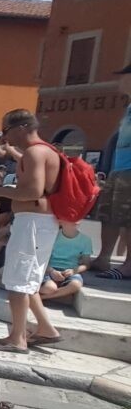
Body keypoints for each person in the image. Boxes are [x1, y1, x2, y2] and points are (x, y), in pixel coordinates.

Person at [0, 109, 62, 353]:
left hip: (33, 221)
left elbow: (32, 192)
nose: (5, 138)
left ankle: (17, 338)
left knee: (18, 281)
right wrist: (13, 154)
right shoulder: (45, 150)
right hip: (42, 221)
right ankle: (46, 329)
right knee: (29, 280)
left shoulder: (35, 153)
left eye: (6, 131)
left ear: (22, 128)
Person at [90, 100, 131, 280]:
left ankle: (129, 265)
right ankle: (103, 258)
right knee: (108, 215)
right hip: (117, 167)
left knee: (128, 219)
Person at [40, 221, 92, 305]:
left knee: (76, 285)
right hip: (50, 269)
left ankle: (41, 298)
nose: (74, 221)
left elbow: (87, 264)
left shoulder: (86, 240)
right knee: (49, 288)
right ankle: (61, 295)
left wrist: (74, 271)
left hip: (71, 271)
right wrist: (51, 271)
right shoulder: (53, 236)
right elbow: (42, 259)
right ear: (61, 222)